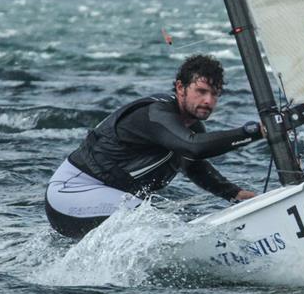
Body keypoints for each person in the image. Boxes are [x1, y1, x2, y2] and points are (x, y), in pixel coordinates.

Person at [45, 54, 263, 238]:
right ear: (180, 87)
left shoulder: (191, 128)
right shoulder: (155, 115)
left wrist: (234, 193)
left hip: (107, 199)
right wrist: (254, 132)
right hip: (69, 195)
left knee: (161, 225)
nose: (208, 100)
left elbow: (194, 164)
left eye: (215, 94)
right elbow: (194, 147)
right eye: (201, 91)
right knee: (159, 227)